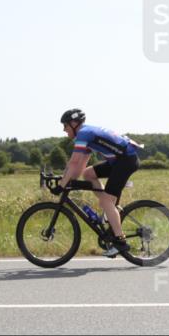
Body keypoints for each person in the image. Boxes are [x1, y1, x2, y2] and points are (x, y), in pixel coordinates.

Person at [53, 109, 139, 257]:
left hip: (125, 161)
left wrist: (61, 185)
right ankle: (109, 210)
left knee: (105, 202)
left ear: (74, 124)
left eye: (65, 126)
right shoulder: (87, 134)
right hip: (119, 160)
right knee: (88, 174)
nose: (64, 130)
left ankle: (121, 242)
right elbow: (79, 168)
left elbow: (73, 162)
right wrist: (66, 179)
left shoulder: (84, 134)